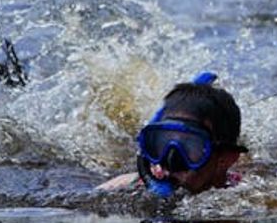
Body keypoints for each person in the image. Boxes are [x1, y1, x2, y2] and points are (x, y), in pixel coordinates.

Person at [96, 72, 247, 196]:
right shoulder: (126, 187)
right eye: (162, 142)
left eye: (190, 146)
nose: (170, 160)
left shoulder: (246, 198)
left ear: (226, 159)